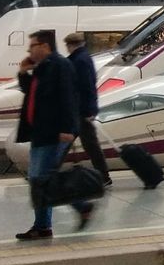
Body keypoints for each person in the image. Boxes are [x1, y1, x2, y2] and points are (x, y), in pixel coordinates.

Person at [15, 28, 93, 239]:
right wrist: (23, 73)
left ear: (44, 46)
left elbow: (68, 97)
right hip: (40, 131)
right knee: (41, 179)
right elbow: (30, 92)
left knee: (40, 179)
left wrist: (66, 129)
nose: (28, 50)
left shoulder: (61, 66)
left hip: (53, 132)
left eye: (32, 46)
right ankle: (47, 224)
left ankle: (69, 212)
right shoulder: (44, 67)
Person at [63, 33, 109, 186]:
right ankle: (104, 177)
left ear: (70, 45)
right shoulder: (82, 58)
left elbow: (87, 87)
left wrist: (90, 110)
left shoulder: (80, 61)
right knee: (88, 145)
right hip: (79, 110)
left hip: (81, 111)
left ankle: (104, 177)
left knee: (75, 144)